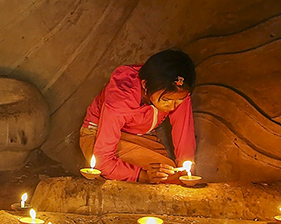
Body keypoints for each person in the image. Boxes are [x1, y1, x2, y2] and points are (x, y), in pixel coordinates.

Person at [80, 49, 197, 183]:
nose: (172, 107)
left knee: (170, 172)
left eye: (179, 101)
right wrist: (143, 176)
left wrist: (186, 173)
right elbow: (103, 161)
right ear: (145, 85)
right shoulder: (122, 96)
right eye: (166, 100)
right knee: (165, 177)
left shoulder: (177, 91)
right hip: (99, 134)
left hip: (142, 136)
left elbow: (184, 133)